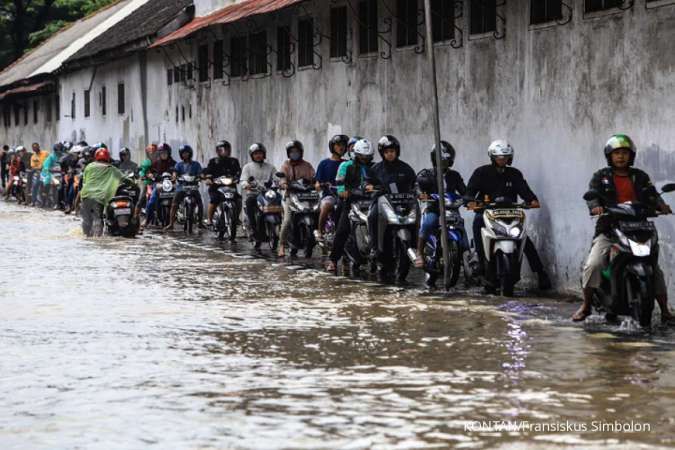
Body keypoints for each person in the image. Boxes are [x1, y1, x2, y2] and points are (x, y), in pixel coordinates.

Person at [572, 134, 674, 322]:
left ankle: (665, 311)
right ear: (609, 156)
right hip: (610, 229)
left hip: (640, 228)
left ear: (631, 155)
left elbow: (652, 195)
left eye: (625, 153)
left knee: (654, 268)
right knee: (594, 264)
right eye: (617, 153)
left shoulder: (640, 176)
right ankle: (586, 306)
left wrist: (661, 205)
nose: (621, 157)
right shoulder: (601, 176)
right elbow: (592, 195)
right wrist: (595, 206)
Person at [465, 139, 552, 292]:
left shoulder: (514, 174)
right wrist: (471, 202)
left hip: (510, 215)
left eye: (505, 157)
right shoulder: (481, 172)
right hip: (487, 214)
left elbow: (525, 191)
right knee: (478, 226)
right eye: (499, 157)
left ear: (510, 158)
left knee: (525, 240)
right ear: (492, 157)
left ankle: (541, 274)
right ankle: (482, 265)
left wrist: (532, 200)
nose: (502, 160)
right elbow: (469, 192)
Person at [414, 141, 467, 268]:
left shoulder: (454, 175)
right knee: (428, 223)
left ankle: (467, 254)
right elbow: (417, 187)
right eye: (441, 160)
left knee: (461, 225)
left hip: (451, 210)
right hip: (433, 208)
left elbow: (464, 191)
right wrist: (421, 194)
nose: (444, 163)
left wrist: (468, 199)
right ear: (434, 159)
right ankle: (419, 252)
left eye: (446, 161)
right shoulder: (426, 174)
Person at [326, 138, 376, 272]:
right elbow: (340, 184)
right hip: (351, 202)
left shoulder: (374, 167)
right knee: (342, 230)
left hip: (371, 202)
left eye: (368, 157)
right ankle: (333, 260)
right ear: (356, 155)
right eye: (362, 157)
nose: (365, 160)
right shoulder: (345, 166)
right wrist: (344, 192)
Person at [368, 135, 416, 275]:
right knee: (372, 216)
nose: (390, 154)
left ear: (397, 152)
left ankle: (415, 247)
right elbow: (367, 182)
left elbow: (415, 183)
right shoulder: (376, 168)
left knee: (416, 217)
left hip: (402, 203)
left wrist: (418, 190)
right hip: (381, 202)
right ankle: (374, 247)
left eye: (392, 151)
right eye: (387, 151)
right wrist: (369, 186)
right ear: (382, 153)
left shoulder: (406, 168)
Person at [277, 140, 315, 257]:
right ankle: (282, 245)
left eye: (297, 151)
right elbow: (282, 178)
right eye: (292, 152)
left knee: (316, 213)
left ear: (301, 152)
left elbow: (313, 177)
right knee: (287, 220)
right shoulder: (286, 165)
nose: (295, 153)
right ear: (288, 153)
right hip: (291, 195)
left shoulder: (307, 165)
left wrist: (316, 183)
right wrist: (284, 184)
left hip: (306, 195)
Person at [79, 147, 126, 237]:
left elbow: (84, 181)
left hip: (85, 195)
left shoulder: (89, 167)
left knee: (86, 220)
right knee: (98, 218)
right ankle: (97, 239)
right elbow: (124, 178)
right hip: (99, 197)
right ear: (108, 157)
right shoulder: (112, 169)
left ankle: (86, 238)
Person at [240, 143, 277, 247]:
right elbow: (243, 180)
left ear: (264, 154)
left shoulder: (270, 167)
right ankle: (253, 228)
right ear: (252, 155)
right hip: (253, 194)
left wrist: (279, 183)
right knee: (250, 202)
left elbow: (277, 178)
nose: (258, 156)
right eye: (256, 154)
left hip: (267, 194)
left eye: (260, 153)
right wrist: (246, 185)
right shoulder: (247, 167)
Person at [314, 134, 349, 241]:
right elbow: (317, 183)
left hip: (344, 195)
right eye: (338, 145)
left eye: (343, 145)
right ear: (332, 146)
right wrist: (319, 185)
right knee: (326, 205)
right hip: (330, 195)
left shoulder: (347, 163)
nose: (341, 147)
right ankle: (320, 231)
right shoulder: (324, 163)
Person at [164, 144, 204, 231]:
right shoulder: (179, 164)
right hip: (181, 187)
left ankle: (200, 222)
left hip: (193, 187)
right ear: (180, 155)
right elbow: (175, 172)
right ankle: (171, 223)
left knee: (200, 203)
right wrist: (174, 177)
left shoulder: (196, 164)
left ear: (190, 153)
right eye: (183, 153)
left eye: (186, 153)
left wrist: (201, 176)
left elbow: (200, 173)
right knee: (174, 204)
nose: (185, 155)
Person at [203, 140, 241, 228]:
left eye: (226, 149)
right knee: (214, 199)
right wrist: (209, 179)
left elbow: (238, 171)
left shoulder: (234, 161)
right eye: (221, 150)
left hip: (230, 187)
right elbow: (208, 171)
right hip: (216, 187)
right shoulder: (213, 161)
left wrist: (238, 178)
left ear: (229, 150)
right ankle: (209, 219)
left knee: (238, 199)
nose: (224, 152)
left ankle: (236, 217)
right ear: (217, 151)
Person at [144, 143, 176, 228]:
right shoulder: (155, 163)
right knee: (151, 202)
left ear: (169, 153)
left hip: (170, 185)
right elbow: (149, 172)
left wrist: (175, 176)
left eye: (165, 152)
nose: (164, 154)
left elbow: (177, 171)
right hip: (158, 184)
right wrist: (150, 175)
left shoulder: (173, 163)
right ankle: (147, 220)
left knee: (177, 200)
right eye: (162, 153)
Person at [136, 144, 158, 226]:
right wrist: (142, 175)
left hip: (158, 182)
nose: (152, 154)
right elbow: (141, 171)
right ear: (148, 153)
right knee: (141, 199)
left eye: (154, 152)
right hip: (148, 182)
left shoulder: (160, 161)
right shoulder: (146, 162)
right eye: (150, 153)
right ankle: (135, 217)